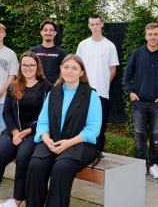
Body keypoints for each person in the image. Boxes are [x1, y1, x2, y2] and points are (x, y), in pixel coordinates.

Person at [25, 54, 102, 207]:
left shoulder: (91, 95)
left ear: (81, 72)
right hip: (52, 140)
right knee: (35, 166)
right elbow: (43, 121)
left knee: (61, 169)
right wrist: (46, 139)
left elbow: (93, 129)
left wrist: (68, 143)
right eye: (66, 67)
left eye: (74, 68)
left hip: (79, 143)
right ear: (61, 69)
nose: (69, 71)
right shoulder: (54, 92)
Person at [0, 52, 51, 207]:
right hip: (13, 131)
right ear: (20, 66)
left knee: (23, 157)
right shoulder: (14, 86)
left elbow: (47, 115)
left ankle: (16, 200)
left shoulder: (46, 87)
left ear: (37, 66)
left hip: (34, 133)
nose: (28, 68)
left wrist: (29, 131)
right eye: (24, 65)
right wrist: (15, 132)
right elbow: (6, 112)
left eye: (31, 65)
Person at [122, 22, 158, 179]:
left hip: (157, 104)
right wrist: (130, 92)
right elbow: (126, 76)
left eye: (156, 34)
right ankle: (140, 165)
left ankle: (153, 165)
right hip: (139, 102)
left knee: (156, 135)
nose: (153, 37)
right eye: (150, 34)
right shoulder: (137, 54)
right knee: (139, 134)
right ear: (146, 36)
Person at [76, 14, 119, 155]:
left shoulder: (110, 46)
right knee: (82, 121)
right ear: (89, 26)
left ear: (102, 24)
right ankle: (80, 148)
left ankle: (98, 150)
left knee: (99, 123)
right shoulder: (83, 45)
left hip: (102, 92)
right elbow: (77, 66)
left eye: (97, 24)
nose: (95, 27)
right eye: (92, 24)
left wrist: (104, 84)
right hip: (83, 91)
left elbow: (113, 70)